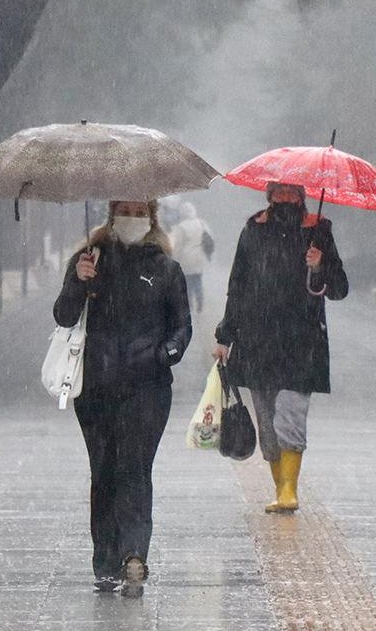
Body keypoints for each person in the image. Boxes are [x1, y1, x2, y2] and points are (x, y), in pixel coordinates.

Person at [53, 200, 192, 597]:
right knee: (104, 471)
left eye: (139, 210)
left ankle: (133, 554)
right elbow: (63, 315)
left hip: (147, 389)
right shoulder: (90, 260)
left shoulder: (166, 269)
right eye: (124, 209)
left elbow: (182, 327)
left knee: (134, 467)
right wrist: (79, 281)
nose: (132, 217)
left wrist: (163, 354)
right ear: (112, 214)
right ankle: (105, 560)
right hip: (96, 386)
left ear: (151, 216)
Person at [211, 182, 348, 514]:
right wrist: (224, 336)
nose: (285, 198)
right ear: (269, 194)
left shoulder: (319, 230)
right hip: (257, 341)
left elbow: (339, 288)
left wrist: (319, 266)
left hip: (302, 344)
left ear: (302, 196)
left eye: (292, 192)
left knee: (290, 414)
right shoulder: (253, 228)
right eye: (279, 192)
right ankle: (278, 487)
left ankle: (290, 490)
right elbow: (238, 285)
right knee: (267, 423)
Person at [168, 201, 215, 312]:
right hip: (199, 258)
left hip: (186, 259)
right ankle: (200, 303)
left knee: (188, 283)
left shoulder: (180, 227)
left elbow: (177, 245)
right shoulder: (201, 223)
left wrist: (174, 259)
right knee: (197, 280)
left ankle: (190, 305)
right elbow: (209, 238)